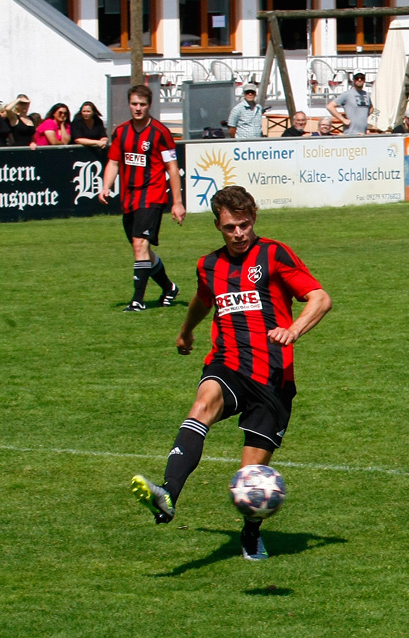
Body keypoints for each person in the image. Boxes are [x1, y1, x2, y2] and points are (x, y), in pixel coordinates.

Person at [130, 185, 332, 561]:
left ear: (254, 218)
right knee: (202, 405)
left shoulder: (274, 254)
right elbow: (203, 299)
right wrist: (186, 330)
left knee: (251, 479)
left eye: (243, 225)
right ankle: (168, 493)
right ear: (217, 227)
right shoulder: (209, 265)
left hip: (274, 378)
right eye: (229, 228)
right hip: (229, 364)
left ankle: (251, 532)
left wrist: (293, 330)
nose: (238, 234)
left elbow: (321, 298)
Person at [98, 84, 185, 312]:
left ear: (150, 105)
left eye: (142, 104)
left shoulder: (160, 132)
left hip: (153, 195)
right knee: (142, 250)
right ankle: (169, 287)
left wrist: (177, 202)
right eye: (134, 104)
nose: (138, 108)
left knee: (139, 246)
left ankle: (137, 301)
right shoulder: (121, 132)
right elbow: (114, 162)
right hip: (129, 198)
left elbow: (172, 168)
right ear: (129, 104)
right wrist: (106, 186)